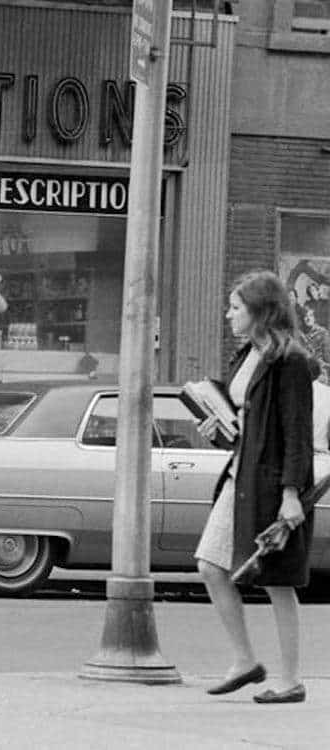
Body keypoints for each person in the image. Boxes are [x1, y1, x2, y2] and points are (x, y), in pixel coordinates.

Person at [196, 270, 315, 704]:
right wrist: (217, 427)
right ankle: (244, 660)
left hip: (269, 482)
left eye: (235, 307)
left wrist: (289, 495)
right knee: (211, 565)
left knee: (277, 581)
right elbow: (247, 423)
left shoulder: (292, 361)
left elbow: (297, 433)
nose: (228, 315)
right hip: (239, 475)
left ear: (260, 311)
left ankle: (290, 679)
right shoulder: (247, 354)